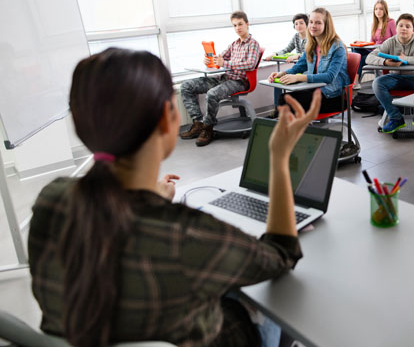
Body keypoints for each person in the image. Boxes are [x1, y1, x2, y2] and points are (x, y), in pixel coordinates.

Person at [28, 47, 322, 347]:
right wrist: (279, 160)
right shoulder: (186, 234)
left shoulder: (51, 200)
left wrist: (149, 197)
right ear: (166, 121)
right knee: (264, 299)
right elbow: (280, 255)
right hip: (217, 336)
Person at [180, 11, 261, 146]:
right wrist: (211, 61)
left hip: (239, 82)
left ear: (247, 24)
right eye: (234, 25)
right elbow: (220, 58)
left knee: (212, 94)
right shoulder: (234, 44)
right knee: (186, 86)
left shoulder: (253, 44)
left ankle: (208, 128)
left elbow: (250, 64)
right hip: (224, 78)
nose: (237, 28)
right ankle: (198, 123)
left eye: (240, 24)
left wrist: (226, 63)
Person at [269, 7, 350, 113]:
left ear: (326, 26)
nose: (313, 26)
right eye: (311, 22)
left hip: (333, 96)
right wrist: (282, 73)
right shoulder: (311, 44)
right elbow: (299, 66)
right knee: (284, 99)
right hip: (315, 91)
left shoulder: (337, 47)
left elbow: (330, 77)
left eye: (318, 23)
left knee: (286, 102)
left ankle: (296, 128)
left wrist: (299, 77)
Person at [366, 13, 414, 133]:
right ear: (396, 28)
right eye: (401, 25)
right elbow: (369, 57)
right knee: (377, 83)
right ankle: (396, 118)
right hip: (395, 77)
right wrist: (386, 62)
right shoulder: (390, 42)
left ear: (413, 30)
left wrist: (406, 59)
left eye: (408, 26)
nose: (404, 28)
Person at [266, 13, 309, 116]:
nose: (298, 26)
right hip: (298, 68)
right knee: (278, 82)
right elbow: (287, 49)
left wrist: (297, 56)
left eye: (301, 23)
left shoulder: (311, 37)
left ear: (307, 24)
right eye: (296, 24)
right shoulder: (296, 37)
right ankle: (277, 110)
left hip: (308, 69)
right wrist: (274, 54)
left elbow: (310, 53)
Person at [352, 0, 397, 89]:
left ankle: (355, 81)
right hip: (374, 51)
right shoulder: (374, 24)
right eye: (376, 9)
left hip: (384, 53)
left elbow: (396, 40)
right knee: (356, 51)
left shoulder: (391, 22)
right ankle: (355, 81)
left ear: (385, 10)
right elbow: (371, 42)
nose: (378, 11)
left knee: (361, 58)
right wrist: (360, 43)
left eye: (381, 9)